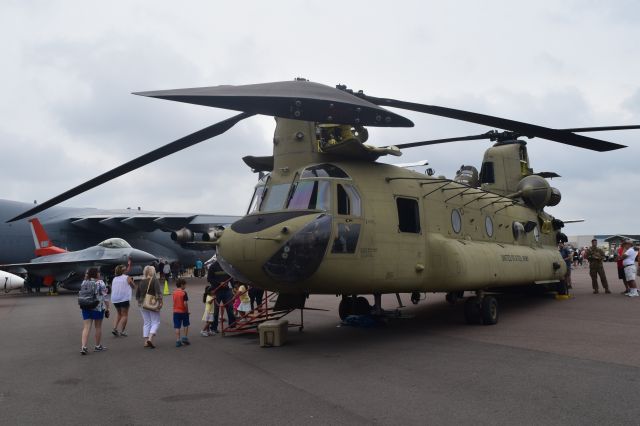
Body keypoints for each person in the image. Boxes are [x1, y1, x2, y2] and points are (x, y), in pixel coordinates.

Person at [80, 268, 110, 355]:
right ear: (96, 274)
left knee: (86, 327)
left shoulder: (84, 282)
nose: (99, 273)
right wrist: (108, 307)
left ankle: (84, 347)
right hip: (97, 307)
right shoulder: (100, 283)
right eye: (98, 272)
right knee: (98, 327)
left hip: (85, 306)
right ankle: (97, 346)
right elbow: (105, 296)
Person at [136, 265, 163, 348]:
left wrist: (141, 301)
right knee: (156, 321)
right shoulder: (154, 280)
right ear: (153, 271)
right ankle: (150, 339)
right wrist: (160, 302)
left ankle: (145, 341)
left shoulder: (141, 281)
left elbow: (137, 295)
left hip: (142, 304)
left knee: (146, 322)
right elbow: (158, 292)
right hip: (152, 303)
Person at [207, 255, 236, 333]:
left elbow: (231, 277)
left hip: (227, 291)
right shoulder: (212, 267)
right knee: (215, 310)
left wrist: (234, 287)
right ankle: (214, 327)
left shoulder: (227, 266)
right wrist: (219, 283)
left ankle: (232, 325)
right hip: (217, 291)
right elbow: (209, 279)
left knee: (230, 307)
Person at [110, 263, 135, 336]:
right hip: (123, 298)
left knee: (118, 314)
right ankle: (122, 331)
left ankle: (114, 328)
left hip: (115, 299)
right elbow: (133, 286)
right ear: (123, 271)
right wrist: (131, 282)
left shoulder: (114, 278)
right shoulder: (127, 277)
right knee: (125, 315)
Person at [173, 278, 190, 347]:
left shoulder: (174, 292)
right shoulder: (184, 293)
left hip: (176, 311)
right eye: (185, 285)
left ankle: (178, 340)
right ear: (182, 285)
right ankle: (185, 338)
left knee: (177, 326)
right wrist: (187, 311)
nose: (185, 286)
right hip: (183, 311)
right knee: (186, 324)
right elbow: (185, 303)